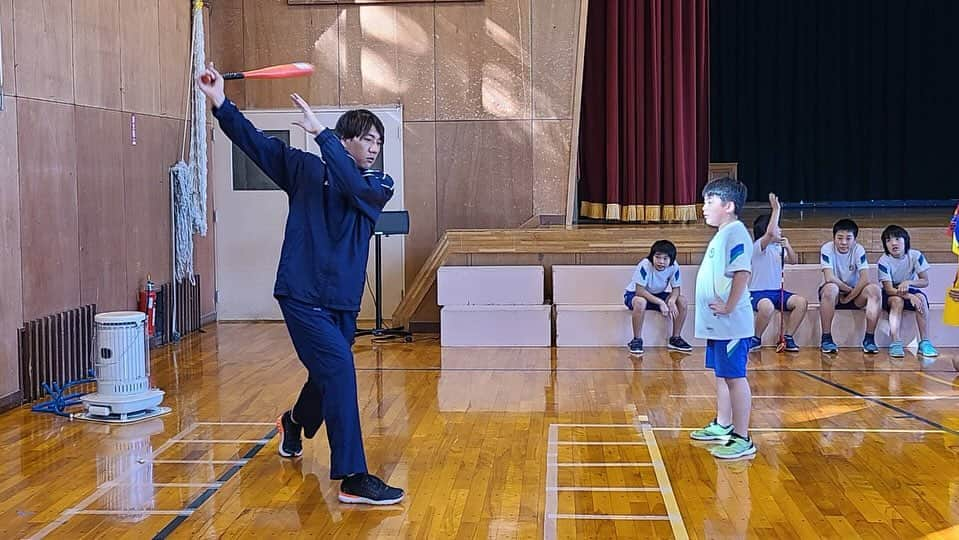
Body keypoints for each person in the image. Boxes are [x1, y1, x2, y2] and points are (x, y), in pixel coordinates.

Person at [196, 63, 404, 505]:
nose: (374, 148)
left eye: (379, 142)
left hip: (343, 304)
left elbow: (351, 187)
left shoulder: (377, 184)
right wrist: (220, 103)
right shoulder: (304, 170)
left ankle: (293, 423)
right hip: (302, 296)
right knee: (340, 370)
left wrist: (323, 137)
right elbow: (257, 145)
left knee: (326, 375)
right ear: (346, 137)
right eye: (366, 138)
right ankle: (352, 476)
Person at [690, 177, 756, 459]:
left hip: (731, 324)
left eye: (709, 201)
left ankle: (743, 438)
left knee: (735, 378)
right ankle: (723, 424)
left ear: (728, 206)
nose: (703, 207)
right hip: (717, 325)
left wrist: (729, 306)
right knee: (722, 376)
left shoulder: (736, 232)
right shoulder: (723, 233)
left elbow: (742, 272)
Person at [747, 193, 807, 352]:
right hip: (758, 293)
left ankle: (788, 337)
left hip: (777, 292)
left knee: (801, 302)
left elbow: (794, 261)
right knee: (766, 307)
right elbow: (771, 233)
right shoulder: (758, 247)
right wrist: (776, 209)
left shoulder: (778, 248)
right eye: (777, 226)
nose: (779, 230)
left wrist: (788, 247)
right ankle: (756, 338)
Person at [818, 219, 882, 354]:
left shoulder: (859, 250)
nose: (843, 242)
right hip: (835, 293)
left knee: (875, 290)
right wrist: (847, 291)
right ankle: (826, 338)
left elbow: (865, 278)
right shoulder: (826, 249)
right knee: (831, 289)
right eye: (840, 238)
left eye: (848, 238)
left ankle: (869, 339)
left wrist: (851, 296)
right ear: (833, 237)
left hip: (855, 293)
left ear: (855, 240)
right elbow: (829, 277)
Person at [877, 225, 938, 358]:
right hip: (892, 291)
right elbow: (889, 289)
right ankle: (896, 342)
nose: (893, 243)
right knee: (897, 301)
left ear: (906, 240)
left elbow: (924, 281)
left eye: (897, 239)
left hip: (908, 287)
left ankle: (925, 342)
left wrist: (909, 283)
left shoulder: (915, 255)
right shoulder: (883, 261)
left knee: (921, 298)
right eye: (888, 240)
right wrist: (909, 296)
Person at [623, 240, 693, 355]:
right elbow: (639, 291)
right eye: (658, 257)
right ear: (652, 257)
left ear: (671, 259)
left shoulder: (674, 266)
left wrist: (671, 301)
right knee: (640, 302)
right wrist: (660, 302)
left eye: (665, 259)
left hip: (658, 294)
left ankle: (675, 338)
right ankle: (636, 340)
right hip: (636, 294)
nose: (661, 262)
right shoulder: (645, 265)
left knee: (682, 301)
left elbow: (676, 289)